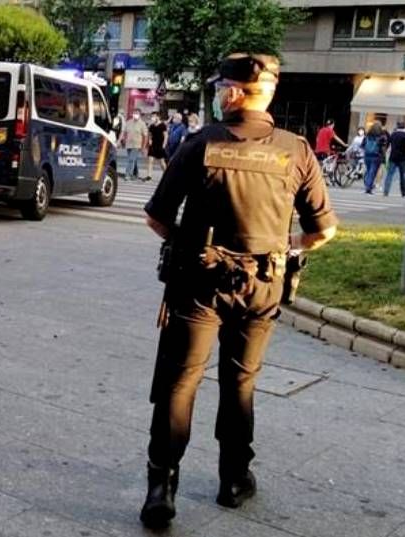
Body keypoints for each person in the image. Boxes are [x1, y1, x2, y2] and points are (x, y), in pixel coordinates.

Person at [139, 52, 337, 529]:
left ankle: (162, 487)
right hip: (263, 285)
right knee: (241, 381)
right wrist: (284, 245)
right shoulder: (296, 150)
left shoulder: (200, 144)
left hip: (198, 282)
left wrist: (190, 244)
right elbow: (323, 231)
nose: (215, 96)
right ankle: (233, 479)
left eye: (217, 88)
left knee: (180, 381)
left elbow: (156, 217)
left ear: (231, 94)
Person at [383, 121, 405, 197]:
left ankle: (386, 192)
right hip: (403, 158)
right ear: (404, 126)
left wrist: (385, 152)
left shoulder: (393, 134)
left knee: (389, 175)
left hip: (393, 157)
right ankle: (404, 192)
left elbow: (387, 145)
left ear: (397, 126)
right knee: (403, 176)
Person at [120, 108, 148, 180]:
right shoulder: (128, 122)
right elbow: (124, 132)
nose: (135, 115)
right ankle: (136, 174)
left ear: (140, 115)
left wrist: (143, 147)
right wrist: (121, 140)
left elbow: (145, 136)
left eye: (137, 113)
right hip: (128, 144)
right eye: (134, 113)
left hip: (137, 145)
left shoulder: (142, 124)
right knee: (133, 160)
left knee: (131, 159)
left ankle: (128, 174)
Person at [361, 121, 388, 194]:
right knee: (372, 172)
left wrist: (367, 150)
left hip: (367, 155)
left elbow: (362, 145)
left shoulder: (367, 135)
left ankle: (367, 185)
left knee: (368, 171)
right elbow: (383, 147)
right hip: (376, 156)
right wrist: (383, 155)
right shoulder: (382, 136)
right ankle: (368, 188)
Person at [146, 111, 168, 181]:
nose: (152, 118)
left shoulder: (163, 125)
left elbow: (166, 136)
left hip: (160, 145)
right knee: (150, 160)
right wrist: (149, 140)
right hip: (153, 145)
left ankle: (166, 174)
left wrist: (164, 145)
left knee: (162, 162)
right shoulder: (151, 126)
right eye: (152, 116)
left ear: (158, 117)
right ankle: (149, 176)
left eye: (154, 116)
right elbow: (150, 134)